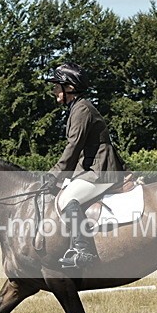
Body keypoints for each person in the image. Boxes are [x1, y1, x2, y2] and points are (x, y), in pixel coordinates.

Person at [44, 62, 126, 268]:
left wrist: (55, 174)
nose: (55, 91)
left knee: (68, 198)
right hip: (91, 167)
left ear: (69, 88)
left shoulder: (82, 109)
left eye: (57, 86)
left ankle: (84, 250)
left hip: (101, 169)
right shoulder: (76, 108)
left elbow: (74, 145)